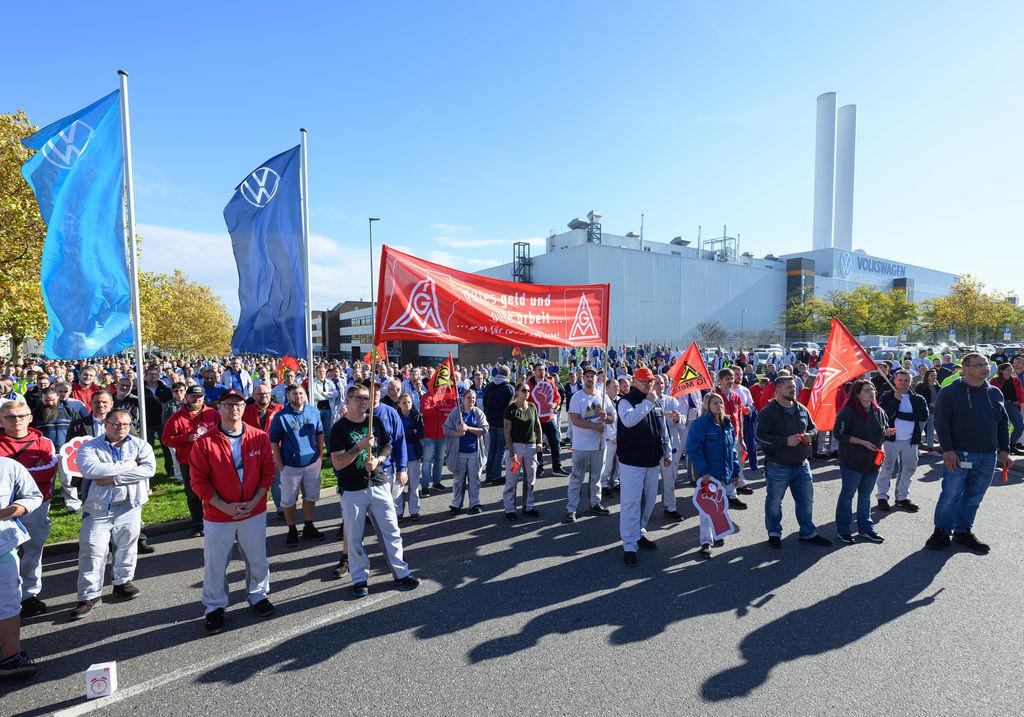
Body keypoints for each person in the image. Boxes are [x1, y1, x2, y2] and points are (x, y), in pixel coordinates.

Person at [187, 389, 276, 634]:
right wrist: (223, 505)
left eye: (238, 404)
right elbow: (199, 482)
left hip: (253, 510)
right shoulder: (205, 442)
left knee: (257, 557)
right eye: (228, 405)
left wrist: (256, 500)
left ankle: (258, 595)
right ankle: (215, 606)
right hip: (219, 515)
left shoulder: (258, 437)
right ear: (219, 408)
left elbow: (268, 472)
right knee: (216, 563)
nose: (233, 409)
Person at [330, 384, 420, 598]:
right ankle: (360, 579)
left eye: (366, 398)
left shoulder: (375, 421)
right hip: (353, 489)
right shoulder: (339, 428)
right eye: (360, 398)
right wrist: (359, 448)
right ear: (348, 400)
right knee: (354, 537)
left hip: (378, 483)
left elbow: (388, 445)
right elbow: (338, 463)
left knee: (391, 530)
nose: (364, 402)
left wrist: (379, 458)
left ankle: (401, 572)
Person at [71, 408, 156, 620]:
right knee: (93, 549)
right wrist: (128, 465)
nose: (122, 428)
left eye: (126, 424)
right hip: (99, 508)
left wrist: (115, 478)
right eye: (117, 424)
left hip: (130, 505)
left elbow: (149, 470)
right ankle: (89, 595)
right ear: (106, 425)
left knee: (127, 544)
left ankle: (122, 582)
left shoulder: (140, 445)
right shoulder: (89, 447)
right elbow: (91, 471)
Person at [926, 353, 1011, 553]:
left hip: (988, 456)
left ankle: (963, 532)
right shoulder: (949, 392)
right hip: (959, 454)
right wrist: (947, 450)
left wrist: (1005, 450)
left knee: (974, 496)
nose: (985, 368)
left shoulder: (994, 392)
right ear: (965, 368)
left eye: (986, 364)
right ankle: (941, 531)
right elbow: (941, 423)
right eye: (979, 365)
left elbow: (1003, 423)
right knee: (951, 494)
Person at [755, 375, 830, 549]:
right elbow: (759, 437)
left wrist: (810, 435)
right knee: (774, 502)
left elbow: (813, 427)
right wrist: (784, 441)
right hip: (778, 465)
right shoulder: (768, 412)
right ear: (778, 389)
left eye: (794, 386)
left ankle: (807, 532)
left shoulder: (801, 408)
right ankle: (774, 532)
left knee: (806, 501)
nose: (793, 389)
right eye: (789, 387)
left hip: (802, 465)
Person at [0, 402, 57, 619]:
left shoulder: (44, 442)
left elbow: (49, 470)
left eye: (22, 416)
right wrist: (27, 474)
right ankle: (7, 595)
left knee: (32, 550)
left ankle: (28, 594)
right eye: (11, 417)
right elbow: (37, 473)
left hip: (35, 506)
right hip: (3, 509)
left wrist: (12, 476)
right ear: (1, 419)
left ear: (30, 417)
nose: (17, 420)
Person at [616, 367, 671, 566]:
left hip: (652, 459)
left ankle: (639, 532)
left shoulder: (655, 402)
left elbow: (662, 429)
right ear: (635, 382)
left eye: (651, 382)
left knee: (649, 500)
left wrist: (667, 450)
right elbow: (629, 421)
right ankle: (629, 545)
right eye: (645, 382)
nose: (649, 385)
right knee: (631, 502)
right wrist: (648, 402)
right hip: (632, 460)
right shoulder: (626, 401)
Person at [833, 380, 894, 545]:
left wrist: (886, 432)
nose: (872, 392)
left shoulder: (879, 411)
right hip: (852, 461)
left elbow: (883, 429)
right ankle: (844, 530)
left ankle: (866, 528)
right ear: (857, 393)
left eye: (873, 389)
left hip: (873, 462)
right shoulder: (847, 412)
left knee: (865, 496)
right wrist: (861, 442)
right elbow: (839, 434)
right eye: (867, 390)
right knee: (847, 495)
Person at [0, 457, 42, 678]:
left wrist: (13, 510)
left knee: (7, 602)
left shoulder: (8, 466)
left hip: (1, 546)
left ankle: (11, 657)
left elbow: (34, 496)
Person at [685, 392, 741, 558]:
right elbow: (693, 449)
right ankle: (705, 542)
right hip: (708, 474)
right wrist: (704, 471)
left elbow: (732, 451)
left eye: (721, 403)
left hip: (724, 472)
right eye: (715, 403)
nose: (719, 406)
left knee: (721, 505)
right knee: (706, 510)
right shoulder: (700, 424)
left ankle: (718, 533)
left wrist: (736, 470)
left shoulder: (727, 423)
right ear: (707, 405)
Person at [268, 385, 325, 546]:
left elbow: (320, 434)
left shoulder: (314, 412)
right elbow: (274, 442)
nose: (298, 396)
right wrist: (280, 465)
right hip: (290, 465)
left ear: (305, 395)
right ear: (288, 396)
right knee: (288, 500)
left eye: (301, 393)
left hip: (312, 463)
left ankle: (308, 526)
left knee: (310, 496)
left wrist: (320, 457)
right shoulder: (281, 416)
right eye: (295, 393)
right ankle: (292, 529)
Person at [162, 386, 221, 538]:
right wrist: (186, 438)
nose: (197, 399)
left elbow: (223, 432)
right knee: (193, 494)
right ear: (186, 397)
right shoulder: (177, 417)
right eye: (193, 396)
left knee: (215, 491)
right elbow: (166, 439)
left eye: (199, 396)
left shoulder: (212, 413)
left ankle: (216, 519)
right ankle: (198, 524)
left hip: (212, 460)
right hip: (188, 462)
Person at [875, 369, 929, 513]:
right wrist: (895, 401)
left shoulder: (918, 398)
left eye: (906, 380)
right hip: (891, 439)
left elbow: (923, 416)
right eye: (900, 380)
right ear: (895, 380)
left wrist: (900, 415)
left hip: (911, 440)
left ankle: (902, 497)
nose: (903, 383)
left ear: (911, 381)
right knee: (887, 468)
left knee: (909, 469)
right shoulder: (887, 396)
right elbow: (885, 415)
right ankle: (882, 496)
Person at [565, 367, 614, 522]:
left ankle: (595, 503)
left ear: (596, 379)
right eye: (587, 376)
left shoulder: (603, 397)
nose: (590, 379)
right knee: (576, 477)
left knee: (597, 477)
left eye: (592, 376)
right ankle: (572, 509)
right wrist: (594, 426)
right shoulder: (577, 397)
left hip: (599, 445)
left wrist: (606, 418)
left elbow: (613, 417)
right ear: (583, 378)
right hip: (581, 446)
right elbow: (575, 419)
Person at [444, 389, 488, 515]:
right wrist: (458, 433)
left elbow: (484, 430)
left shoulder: (478, 413)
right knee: (459, 480)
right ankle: (457, 504)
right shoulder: (455, 413)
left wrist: (468, 428)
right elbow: (445, 429)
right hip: (459, 453)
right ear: (462, 399)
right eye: (469, 397)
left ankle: (475, 503)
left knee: (475, 480)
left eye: (473, 398)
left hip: (474, 452)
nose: (472, 400)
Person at [502, 382, 543, 520]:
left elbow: (537, 426)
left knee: (531, 479)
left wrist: (539, 442)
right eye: (524, 390)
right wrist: (511, 450)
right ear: (517, 392)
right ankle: (510, 509)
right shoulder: (510, 409)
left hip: (531, 447)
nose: (527, 393)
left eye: (528, 390)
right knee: (512, 479)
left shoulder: (532, 407)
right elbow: (507, 432)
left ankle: (528, 506)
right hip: (516, 447)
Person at [242, 383, 283, 514]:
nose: (263, 396)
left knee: (278, 483)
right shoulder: (245, 412)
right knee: (255, 484)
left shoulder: (280, 409)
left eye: (266, 394)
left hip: (276, 453)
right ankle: (256, 510)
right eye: (259, 394)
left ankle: (281, 509)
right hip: (253, 454)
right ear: (253, 396)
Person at [652, 374, 684, 520]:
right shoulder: (648, 401)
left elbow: (682, 421)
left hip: (671, 446)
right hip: (653, 447)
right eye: (658, 382)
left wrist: (677, 418)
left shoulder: (672, 401)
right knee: (649, 482)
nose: (661, 385)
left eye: (664, 382)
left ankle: (670, 506)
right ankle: (645, 508)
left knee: (670, 479)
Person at [527, 363, 567, 476]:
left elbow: (557, 396)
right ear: (534, 371)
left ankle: (557, 468)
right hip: (535, 421)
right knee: (538, 445)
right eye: (539, 370)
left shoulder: (550, 382)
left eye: (544, 369)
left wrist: (555, 405)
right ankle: (539, 468)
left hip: (549, 419)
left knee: (555, 443)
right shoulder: (529, 385)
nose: (542, 372)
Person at [482, 365, 514, 485]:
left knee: (492, 448)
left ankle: (489, 474)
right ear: (507, 374)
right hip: (502, 422)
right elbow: (511, 407)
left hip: (491, 421)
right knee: (500, 449)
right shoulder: (509, 388)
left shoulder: (489, 386)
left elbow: (485, 403)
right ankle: (496, 476)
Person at [395, 393, 424, 521]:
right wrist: (411, 432)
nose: (407, 405)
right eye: (404, 402)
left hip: (414, 454)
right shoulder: (395, 416)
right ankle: (398, 512)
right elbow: (395, 436)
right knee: (398, 486)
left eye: (409, 402)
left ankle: (414, 510)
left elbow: (421, 433)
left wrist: (407, 434)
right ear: (399, 404)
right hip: (399, 456)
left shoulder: (416, 416)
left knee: (414, 484)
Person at [990, 362, 1024, 455]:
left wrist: (1020, 402)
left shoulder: (1016, 380)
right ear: (1001, 371)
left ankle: (1011, 445)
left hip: (1012, 405)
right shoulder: (994, 381)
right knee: (1000, 427)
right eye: (1008, 369)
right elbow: (991, 394)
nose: (1011, 371)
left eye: (1011, 369)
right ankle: (1000, 447)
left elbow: (1021, 393)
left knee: (1020, 426)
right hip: (999, 406)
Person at [599, 378, 621, 493]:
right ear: (607, 388)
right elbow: (605, 422)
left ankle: (616, 481)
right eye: (615, 386)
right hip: (609, 439)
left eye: (618, 386)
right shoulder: (603, 401)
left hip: (619, 438)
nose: (617, 388)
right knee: (607, 464)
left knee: (618, 463)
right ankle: (604, 484)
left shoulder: (620, 400)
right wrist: (612, 437)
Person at [914, 368, 941, 452]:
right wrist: (929, 404)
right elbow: (917, 398)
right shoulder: (921, 386)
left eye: (935, 375)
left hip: (934, 412)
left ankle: (930, 449)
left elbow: (941, 398)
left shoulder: (937, 387)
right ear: (927, 376)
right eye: (932, 375)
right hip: (923, 413)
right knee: (919, 431)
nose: (934, 377)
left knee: (931, 431)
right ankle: (915, 448)